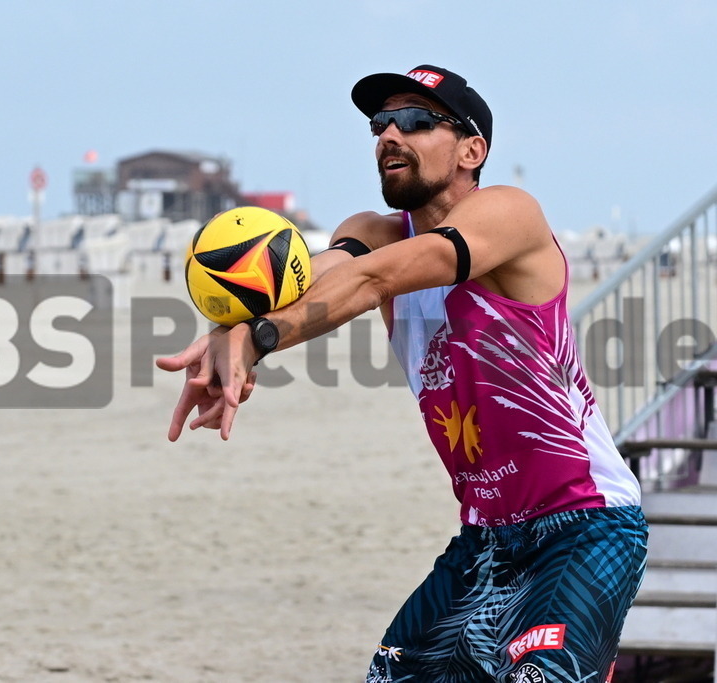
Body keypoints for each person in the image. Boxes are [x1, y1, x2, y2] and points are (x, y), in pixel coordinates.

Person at [157, 65, 648, 682]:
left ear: (473, 150)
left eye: (416, 120)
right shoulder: (370, 231)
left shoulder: (509, 214)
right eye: (380, 123)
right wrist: (233, 334)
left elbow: (374, 281)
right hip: (483, 540)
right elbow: (320, 278)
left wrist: (257, 339)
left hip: (585, 525)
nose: (390, 134)